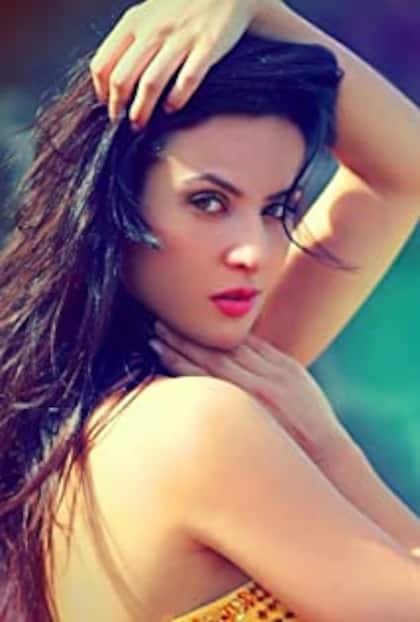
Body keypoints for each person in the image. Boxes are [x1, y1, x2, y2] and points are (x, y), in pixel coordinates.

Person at [0, 0, 419, 621]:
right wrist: (331, 451)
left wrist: (258, 11)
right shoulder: (202, 426)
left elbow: (403, 172)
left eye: (278, 209)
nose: (254, 252)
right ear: (113, 207)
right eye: (209, 202)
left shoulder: (58, 427)